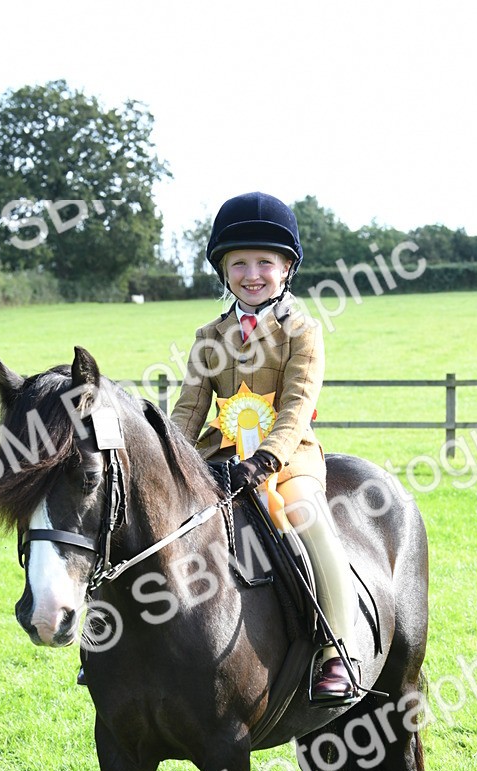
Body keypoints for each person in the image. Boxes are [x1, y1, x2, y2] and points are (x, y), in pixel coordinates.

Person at [170, 191, 359, 703]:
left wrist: (268, 457)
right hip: (222, 458)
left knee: (305, 517)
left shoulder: (303, 331)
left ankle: (335, 648)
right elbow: (190, 407)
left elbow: (298, 404)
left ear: (286, 268)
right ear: (224, 270)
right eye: (239, 264)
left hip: (289, 454)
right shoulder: (209, 334)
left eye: (264, 263)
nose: (252, 274)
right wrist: (169, 457)